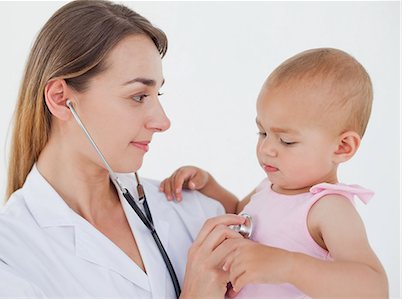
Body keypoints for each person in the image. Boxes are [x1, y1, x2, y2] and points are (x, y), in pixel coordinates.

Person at [0, 1, 248, 297]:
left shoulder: (191, 211)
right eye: (138, 96)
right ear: (60, 98)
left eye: (156, 94)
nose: (163, 121)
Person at [160, 48, 388, 298]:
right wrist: (208, 185)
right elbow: (238, 212)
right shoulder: (269, 187)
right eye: (263, 133)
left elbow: (374, 288)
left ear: (342, 147)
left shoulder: (328, 207)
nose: (267, 148)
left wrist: (287, 265)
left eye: (286, 141)